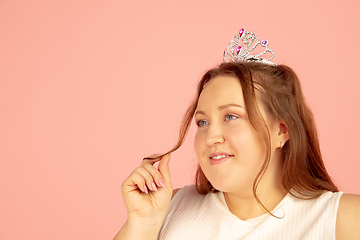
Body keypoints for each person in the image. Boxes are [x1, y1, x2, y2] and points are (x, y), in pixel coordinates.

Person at [114, 28, 360, 240]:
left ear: (281, 131)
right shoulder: (167, 209)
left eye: (231, 117)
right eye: (202, 122)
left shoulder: (343, 220)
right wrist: (142, 224)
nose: (210, 137)